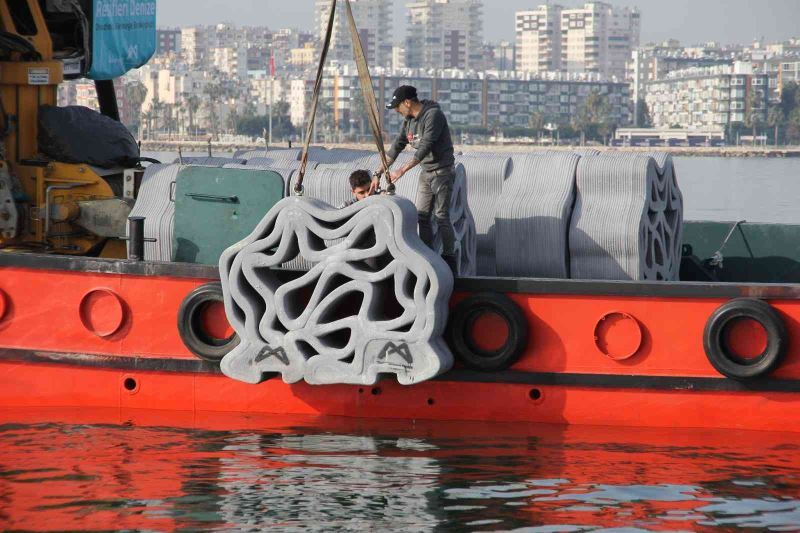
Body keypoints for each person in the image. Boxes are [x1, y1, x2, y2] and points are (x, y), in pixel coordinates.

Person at [374, 85, 458, 275]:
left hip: (442, 172)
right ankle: (428, 256)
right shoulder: (408, 121)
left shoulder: (433, 116)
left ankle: (450, 258)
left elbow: (425, 148)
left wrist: (401, 171)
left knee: (441, 216)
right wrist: (377, 173)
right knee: (422, 216)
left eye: (398, 107)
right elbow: (396, 147)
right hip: (426, 172)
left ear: (407, 102)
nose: (396, 111)